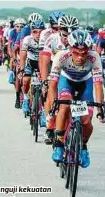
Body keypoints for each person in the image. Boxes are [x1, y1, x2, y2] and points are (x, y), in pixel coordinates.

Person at [47, 30, 105, 168]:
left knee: (86, 121)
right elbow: (52, 86)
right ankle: (59, 144)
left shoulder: (94, 57)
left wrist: (100, 108)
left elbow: (98, 85)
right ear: (70, 49)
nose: (80, 57)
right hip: (66, 82)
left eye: (84, 53)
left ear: (89, 50)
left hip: (84, 84)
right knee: (64, 106)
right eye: (76, 53)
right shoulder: (61, 56)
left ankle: (84, 147)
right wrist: (53, 104)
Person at [40, 15, 79, 144]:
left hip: (71, 70)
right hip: (54, 67)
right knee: (51, 95)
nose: (67, 38)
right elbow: (45, 60)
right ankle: (50, 125)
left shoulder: (79, 39)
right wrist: (45, 80)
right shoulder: (51, 39)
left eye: (70, 34)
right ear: (59, 30)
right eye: (64, 34)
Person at [19, 20, 45, 116]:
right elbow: (23, 54)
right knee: (26, 81)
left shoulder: (47, 40)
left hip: (42, 63)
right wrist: (21, 69)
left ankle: (43, 110)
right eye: (35, 31)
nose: (38, 34)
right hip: (30, 62)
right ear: (31, 32)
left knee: (45, 87)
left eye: (40, 32)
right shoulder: (27, 39)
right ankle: (26, 98)